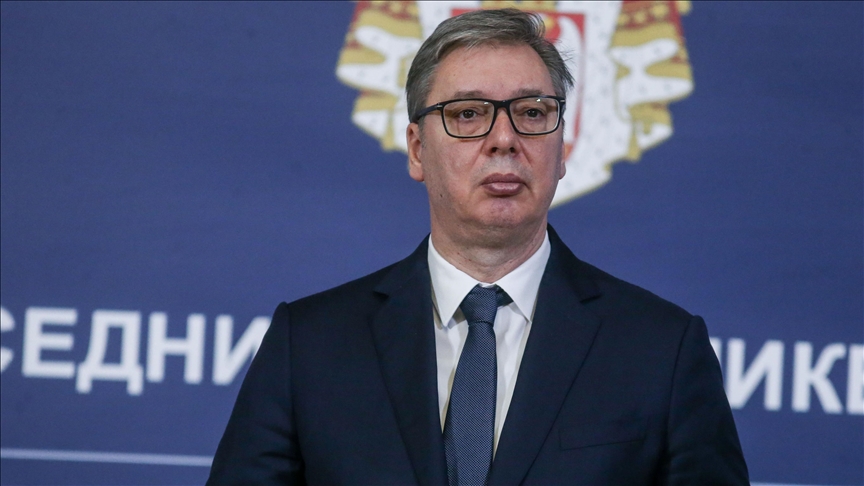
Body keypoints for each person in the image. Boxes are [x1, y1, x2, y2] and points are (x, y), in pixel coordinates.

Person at [207, 8, 748, 485]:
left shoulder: (662, 351)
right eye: (468, 113)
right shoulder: (309, 345)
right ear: (417, 150)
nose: (504, 139)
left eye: (532, 113)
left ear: (562, 148)